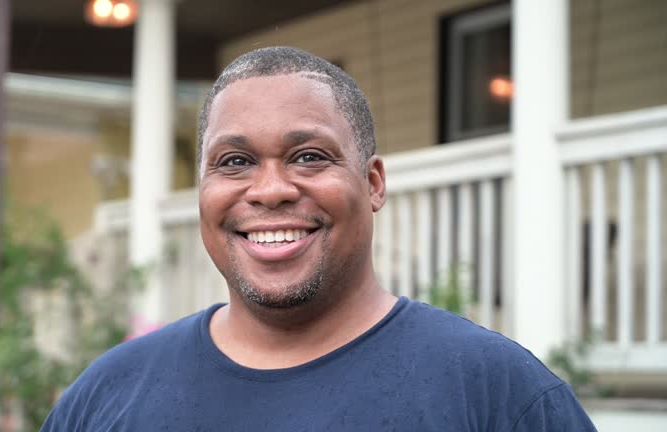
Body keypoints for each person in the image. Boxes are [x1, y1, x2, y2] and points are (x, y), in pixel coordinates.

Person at [41, 46, 597, 431]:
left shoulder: (498, 394)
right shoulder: (107, 397)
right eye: (235, 162)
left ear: (373, 183)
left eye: (309, 156)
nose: (272, 190)